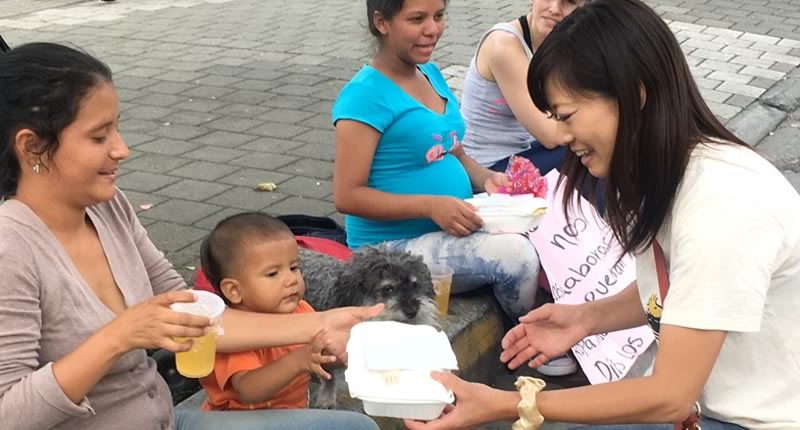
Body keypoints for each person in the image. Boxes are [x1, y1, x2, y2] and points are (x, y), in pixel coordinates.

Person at [404, 1, 800, 429]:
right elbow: (682, 283)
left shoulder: (724, 206)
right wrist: (584, 318)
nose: (564, 136)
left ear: (636, 94)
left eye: (568, 116)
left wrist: (508, 404)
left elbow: (668, 396)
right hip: (702, 405)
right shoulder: (671, 169)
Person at [0, 42, 381, 430]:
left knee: (356, 428)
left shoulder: (107, 208)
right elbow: (9, 414)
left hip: (165, 420)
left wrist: (327, 322)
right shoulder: (11, 247)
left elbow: (198, 315)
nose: (122, 149)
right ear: (32, 146)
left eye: (117, 128)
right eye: (99, 137)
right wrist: (118, 336)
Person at [332, 0, 544, 324]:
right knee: (518, 256)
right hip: (393, 250)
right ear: (382, 22)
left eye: (439, 16)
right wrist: (431, 206)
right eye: (417, 19)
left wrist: (485, 178)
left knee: (546, 224)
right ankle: (531, 334)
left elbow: (450, 147)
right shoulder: (364, 96)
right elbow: (347, 196)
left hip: (450, 226)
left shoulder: (429, 74)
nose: (432, 30)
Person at [198, 212, 335, 411]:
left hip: (292, 412)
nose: (291, 280)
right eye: (273, 273)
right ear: (234, 291)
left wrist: (334, 354)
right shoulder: (236, 335)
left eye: (294, 267)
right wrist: (299, 361)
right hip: (238, 420)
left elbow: (321, 353)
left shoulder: (301, 310)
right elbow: (248, 391)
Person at [460, 0, 583, 176]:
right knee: (590, 149)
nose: (555, 8)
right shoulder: (503, 44)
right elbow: (552, 135)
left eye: (569, 1)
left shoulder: (563, 43)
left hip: (523, 152)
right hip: (487, 170)